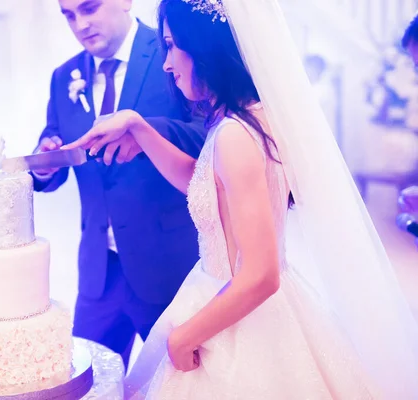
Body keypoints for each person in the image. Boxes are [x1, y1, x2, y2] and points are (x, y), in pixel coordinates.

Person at [64, 0, 418, 398]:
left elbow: (262, 274)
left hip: (238, 310)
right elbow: (201, 182)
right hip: (235, 295)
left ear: (204, 48)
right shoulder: (248, 118)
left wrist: (185, 336)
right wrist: (141, 129)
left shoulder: (236, 134)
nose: (166, 63)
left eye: (171, 46)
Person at [30, 0, 207, 368]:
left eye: (89, 8)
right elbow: (57, 140)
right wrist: (45, 160)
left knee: (179, 379)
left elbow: (208, 135)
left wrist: (143, 133)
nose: (80, 24)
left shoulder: (172, 54)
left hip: (168, 263)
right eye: (69, 15)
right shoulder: (64, 77)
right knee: (87, 381)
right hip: (99, 273)